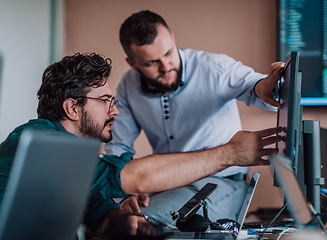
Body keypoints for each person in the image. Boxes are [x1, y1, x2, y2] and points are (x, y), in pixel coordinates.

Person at [0, 53, 283, 238]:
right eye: (105, 102)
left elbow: (100, 214)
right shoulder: (37, 141)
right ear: (73, 108)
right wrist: (230, 154)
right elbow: (135, 177)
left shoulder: (72, 164)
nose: (116, 112)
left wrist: (126, 221)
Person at [104, 10, 285, 227]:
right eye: (152, 63)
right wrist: (125, 193)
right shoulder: (128, 86)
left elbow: (258, 87)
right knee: (112, 220)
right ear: (132, 64)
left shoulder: (214, 69)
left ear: (173, 38)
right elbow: (118, 146)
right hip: (164, 186)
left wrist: (265, 87)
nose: (166, 66)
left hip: (219, 183)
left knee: (144, 224)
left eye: (169, 53)